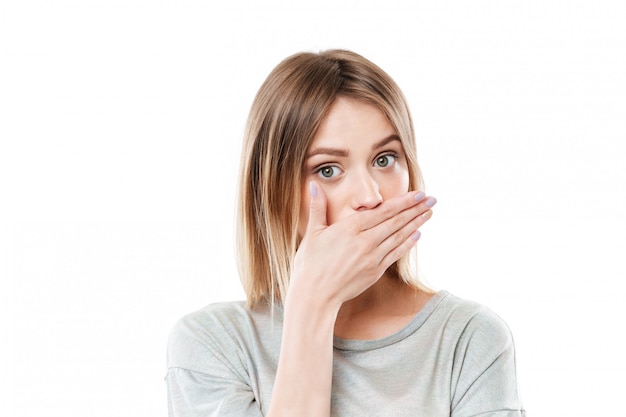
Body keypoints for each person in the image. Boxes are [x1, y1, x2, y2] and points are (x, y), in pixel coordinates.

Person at [166, 49, 525, 417]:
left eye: (384, 159)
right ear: (271, 190)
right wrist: (312, 304)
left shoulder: (470, 340)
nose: (370, 197)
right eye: (327, 170)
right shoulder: (211, 346)